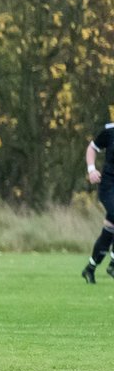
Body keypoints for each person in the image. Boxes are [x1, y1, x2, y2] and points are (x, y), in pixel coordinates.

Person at [80, 121, 114, 283]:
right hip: (109, 185)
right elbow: (92, 148)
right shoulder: (110, 131)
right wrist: (91, 169)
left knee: (110, 227)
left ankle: (90, 268)